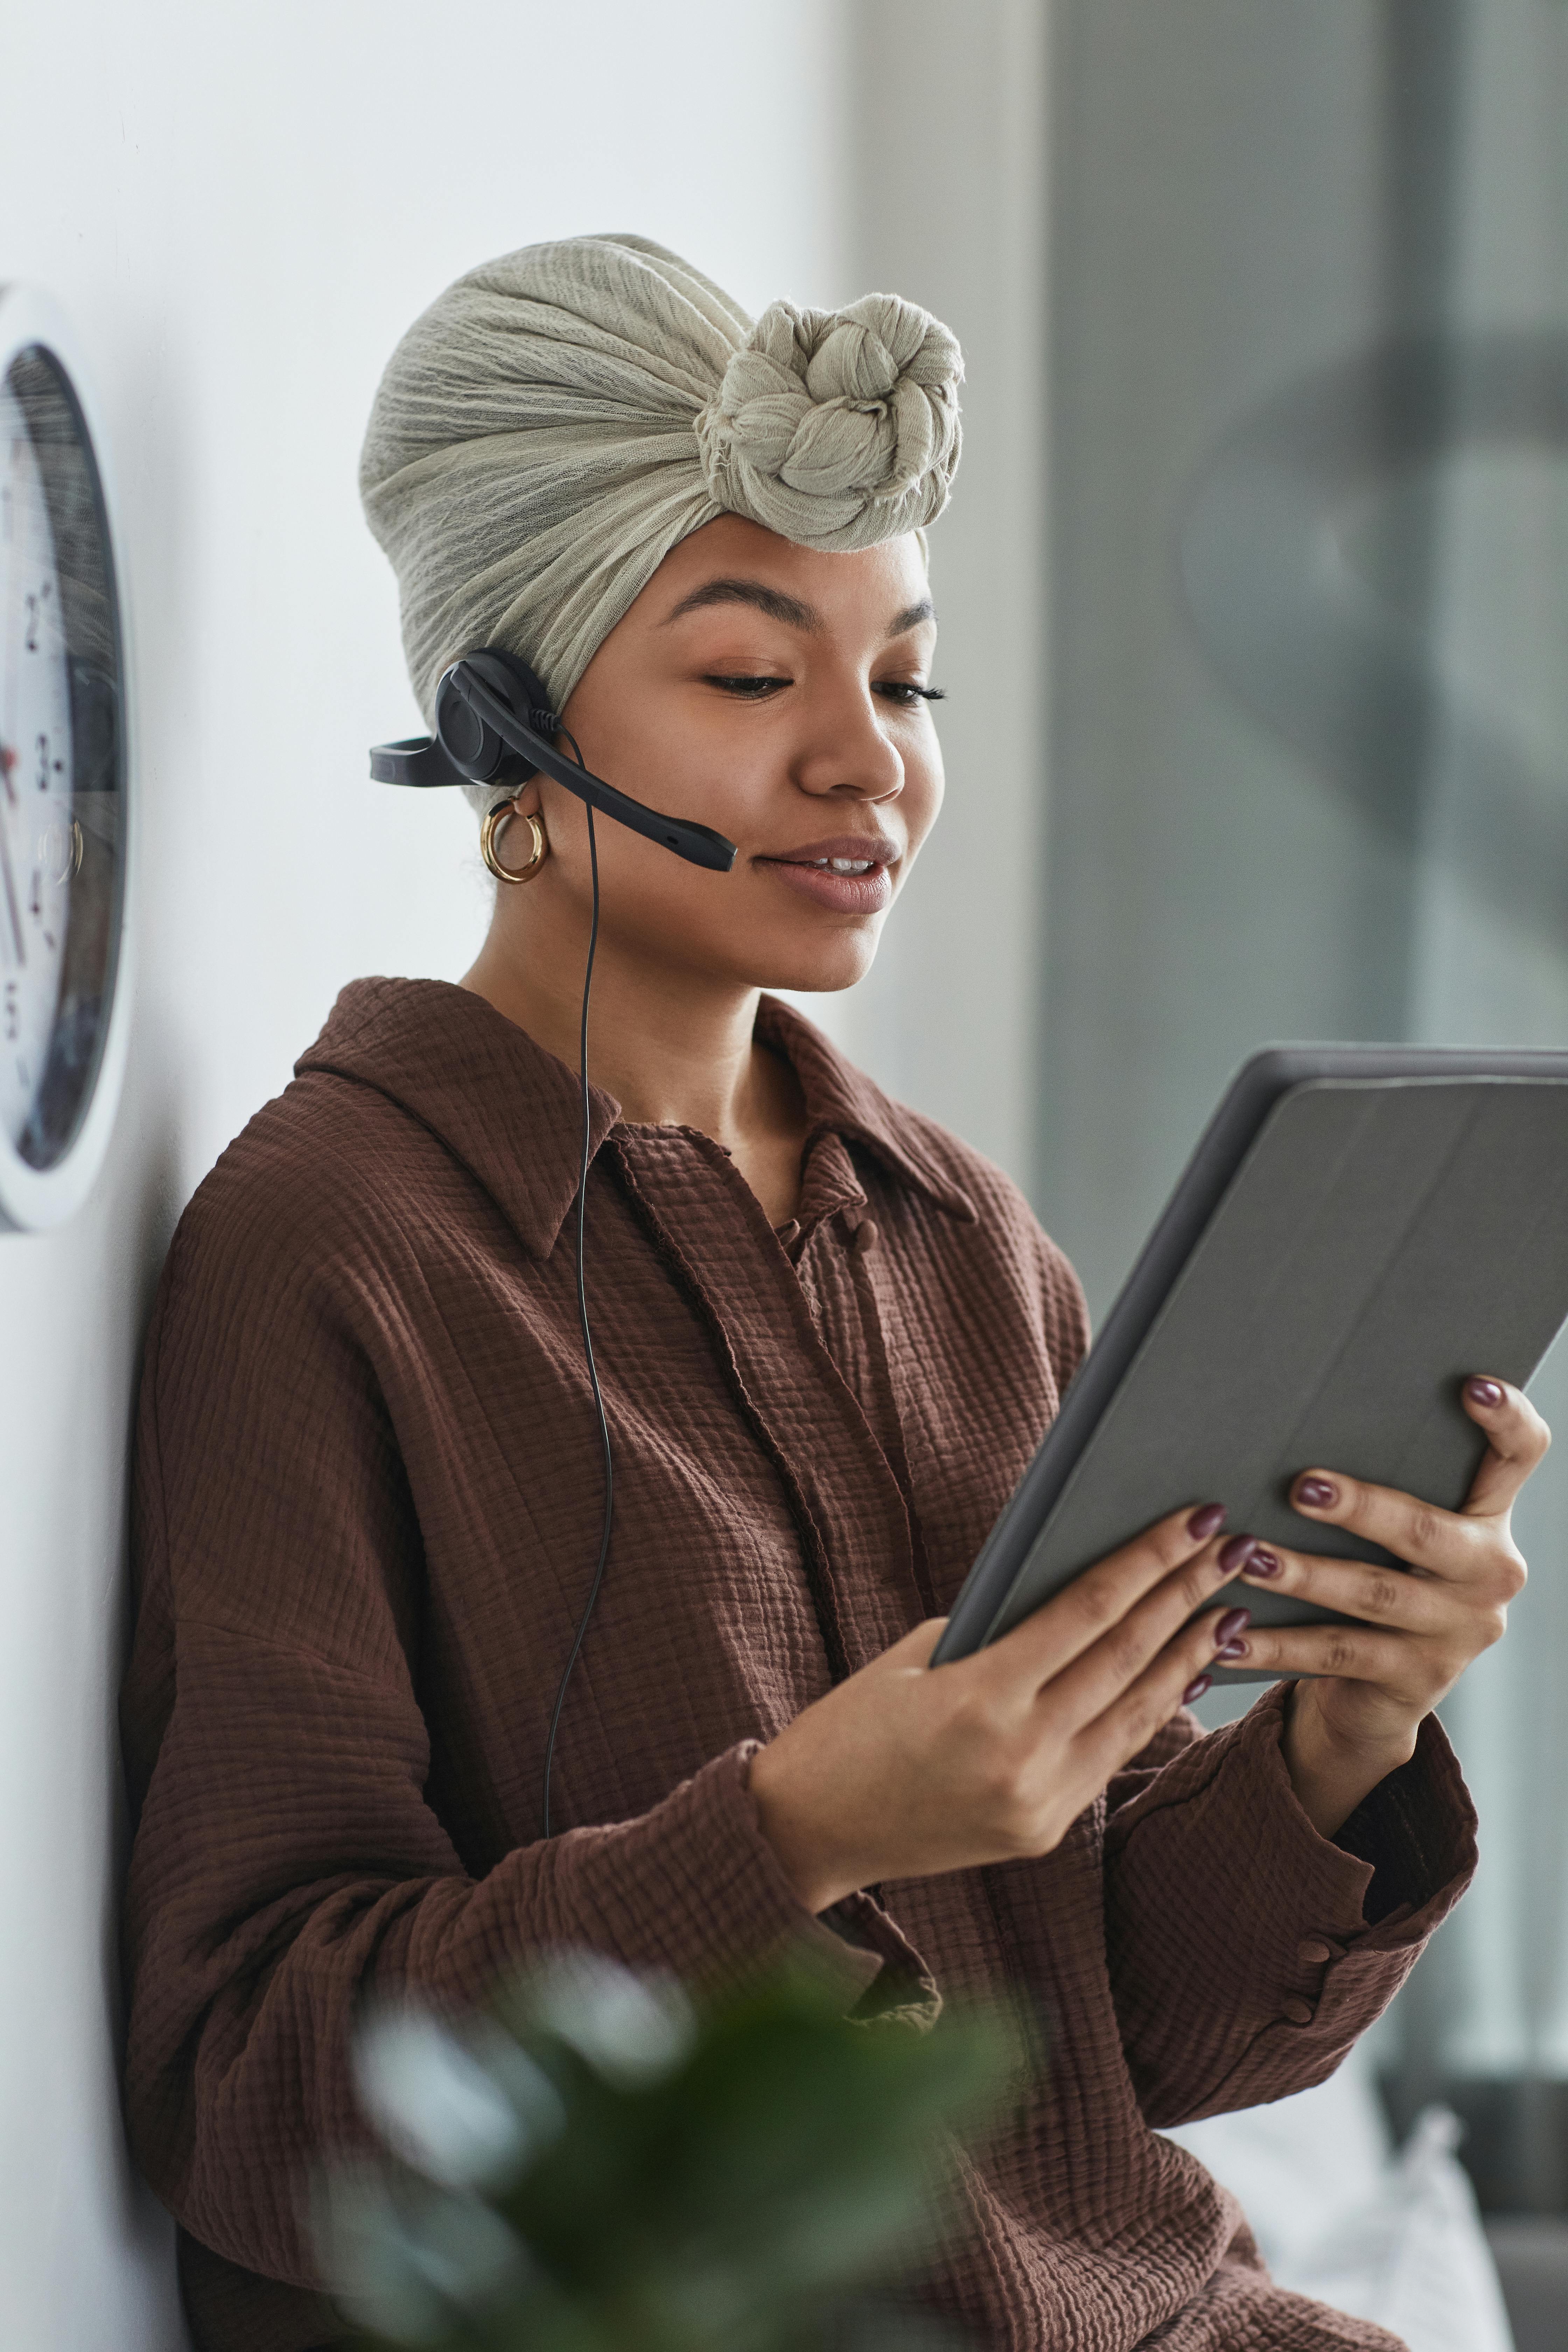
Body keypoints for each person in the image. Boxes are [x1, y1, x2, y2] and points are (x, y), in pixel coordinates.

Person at [120, 235, 1546, 2352]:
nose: (869, 765)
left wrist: (1347, 1731)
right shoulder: (335, 1249)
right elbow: (250, 2091)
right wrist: (792, 1836)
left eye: (903, 679)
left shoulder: (961, 1238)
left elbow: (1121, 2046)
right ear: (505, 714)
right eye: (747, 673)